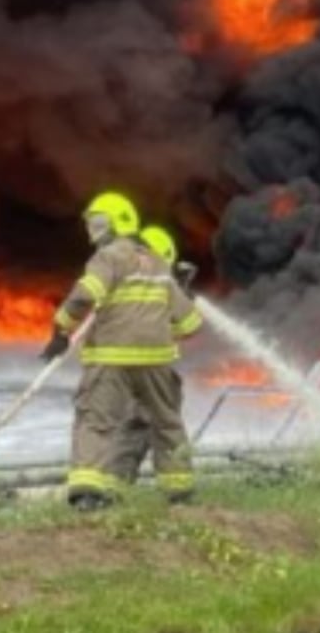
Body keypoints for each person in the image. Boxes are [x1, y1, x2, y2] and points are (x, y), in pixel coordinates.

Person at [43, 204, 204, 510]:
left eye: (99, 223)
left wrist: (61, 330)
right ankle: (179, 495)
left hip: (111, 359)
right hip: (156, 362)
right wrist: (171, 307)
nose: (94, 232)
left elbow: (85, 295)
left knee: (95, 420)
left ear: (117, 224)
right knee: (167, 423)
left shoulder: (109, 257)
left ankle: (87, 495)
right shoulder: (158, 263)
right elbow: (191, 325)